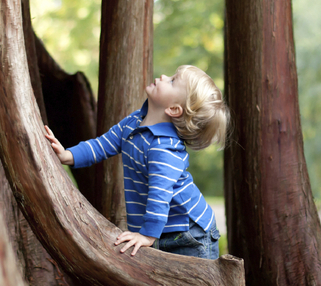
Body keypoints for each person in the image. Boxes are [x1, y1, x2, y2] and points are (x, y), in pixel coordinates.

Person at [44, 65, 229, 258]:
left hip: (190, 232)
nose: (164, 76)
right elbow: (102, 145)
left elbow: (160, 195)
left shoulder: (164, 148)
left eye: (173, 81)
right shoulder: (134, 122)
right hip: (163, 230)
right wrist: (68, 155)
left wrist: (147, 235)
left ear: (174, 109)